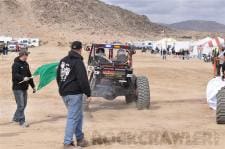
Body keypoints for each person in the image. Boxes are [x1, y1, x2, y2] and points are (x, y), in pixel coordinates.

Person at [57, 41, 91, 149]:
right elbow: (83, 79)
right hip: (74, 93)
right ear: (80, 49)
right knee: (73, 117)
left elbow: (58, 76)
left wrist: (62, 88)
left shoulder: (63, 61)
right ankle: (67, 143)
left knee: (78, 115)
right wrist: (88, 93)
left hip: (64, 93)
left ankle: (80, 139)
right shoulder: (78, 62)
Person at [12, 50, 36, 127]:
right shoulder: (15, 64)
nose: (27, 57)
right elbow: (15, 75)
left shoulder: (26, 64)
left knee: (23, 104)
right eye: (26, 55)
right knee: (21, 105)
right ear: (23, 55)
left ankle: (16, 118)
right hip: (17, 88)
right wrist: (22, 77)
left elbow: (29, 75)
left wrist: (33, 86)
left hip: (24, 87)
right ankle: (22, 122)